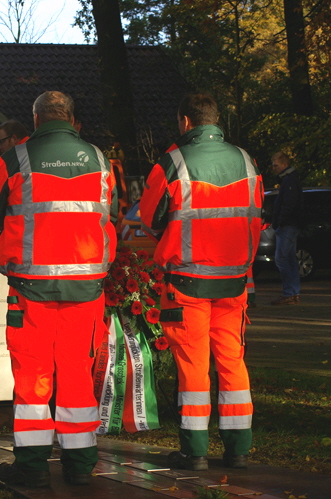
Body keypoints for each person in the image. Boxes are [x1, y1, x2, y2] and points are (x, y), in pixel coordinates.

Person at [0, 91, 118, 487]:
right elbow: (108, 216)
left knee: (32, 379)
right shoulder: (99, 160)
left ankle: (33, 468)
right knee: (76, 377)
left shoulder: (13, 159)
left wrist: (18, 248)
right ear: (72, 120)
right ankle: (80, 466)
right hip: (86, 291)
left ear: (36, 119)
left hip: (30, 289)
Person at [140, 92, 263, 471]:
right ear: (216, 120)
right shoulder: (246, 160)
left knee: (193, 366)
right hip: (234, 280)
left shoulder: (173, 161)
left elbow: (150, 218)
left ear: (186, 122)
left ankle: (195, 452)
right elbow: (255, 214)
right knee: (232, 361)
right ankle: (238, 449)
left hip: (188, 282)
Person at [270, 152, 303, 305]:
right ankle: (293, 292)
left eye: (276, 165)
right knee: (289, 259)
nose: (274, 168)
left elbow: (288, 204)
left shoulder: (288, 181)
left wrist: (280, 220)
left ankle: (289, 292)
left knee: (282, 259)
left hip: (288, 224)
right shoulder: (290, 180)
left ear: (284, 164)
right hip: (290, 223)